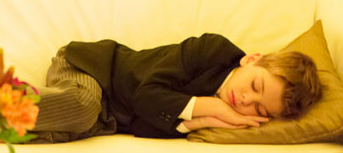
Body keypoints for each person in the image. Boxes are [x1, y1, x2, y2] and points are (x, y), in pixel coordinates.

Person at [33, 33, 322, 141]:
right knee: (82, 107)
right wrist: (213, 107)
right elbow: (145, 96)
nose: (245, 100)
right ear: (252, 60)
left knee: (68, 131)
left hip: (105, 117)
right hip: (91, 71)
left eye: (258, 108)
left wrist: (205, 120)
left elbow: (140, 128)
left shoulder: (225, 121)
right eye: (255, 85)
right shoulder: (212, 51)